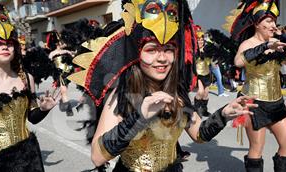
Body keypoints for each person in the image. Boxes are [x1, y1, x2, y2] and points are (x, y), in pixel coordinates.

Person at [68, 0, 258, 171]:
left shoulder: (176, 89)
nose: (162, 58)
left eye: (168, 50)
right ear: (137, 53)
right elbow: (97, 157)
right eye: (151, 50)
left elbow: (199, 134)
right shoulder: (122, 91)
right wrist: (139, 118)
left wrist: (223, 115)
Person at [228, 0, 286, 171]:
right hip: (253, 103)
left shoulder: (277, 42)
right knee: (256, 149)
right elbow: (238, 61)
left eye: (274, 21)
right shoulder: (248, 44)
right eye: (268, 21)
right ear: (257, 23)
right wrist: (265, 46)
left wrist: (280, 47)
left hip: (276, 103)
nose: (273, 25)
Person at [0, 1, 58, 171]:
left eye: (8, 43)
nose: (4, 47)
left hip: (30, 157)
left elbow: (31, 117)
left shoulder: (25, 78)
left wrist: (44, 109)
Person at [194, 30, 212, 117]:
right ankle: (196, 109)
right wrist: (198, 56)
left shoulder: (207, 49)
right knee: (200, 92)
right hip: (198, 75)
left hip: (207, 74)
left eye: (201, 40)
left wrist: (208, 57)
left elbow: (209, 63)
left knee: (205, 94)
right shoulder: (194, 50)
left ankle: (204, 110)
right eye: (198, 40)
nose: (200, 41)